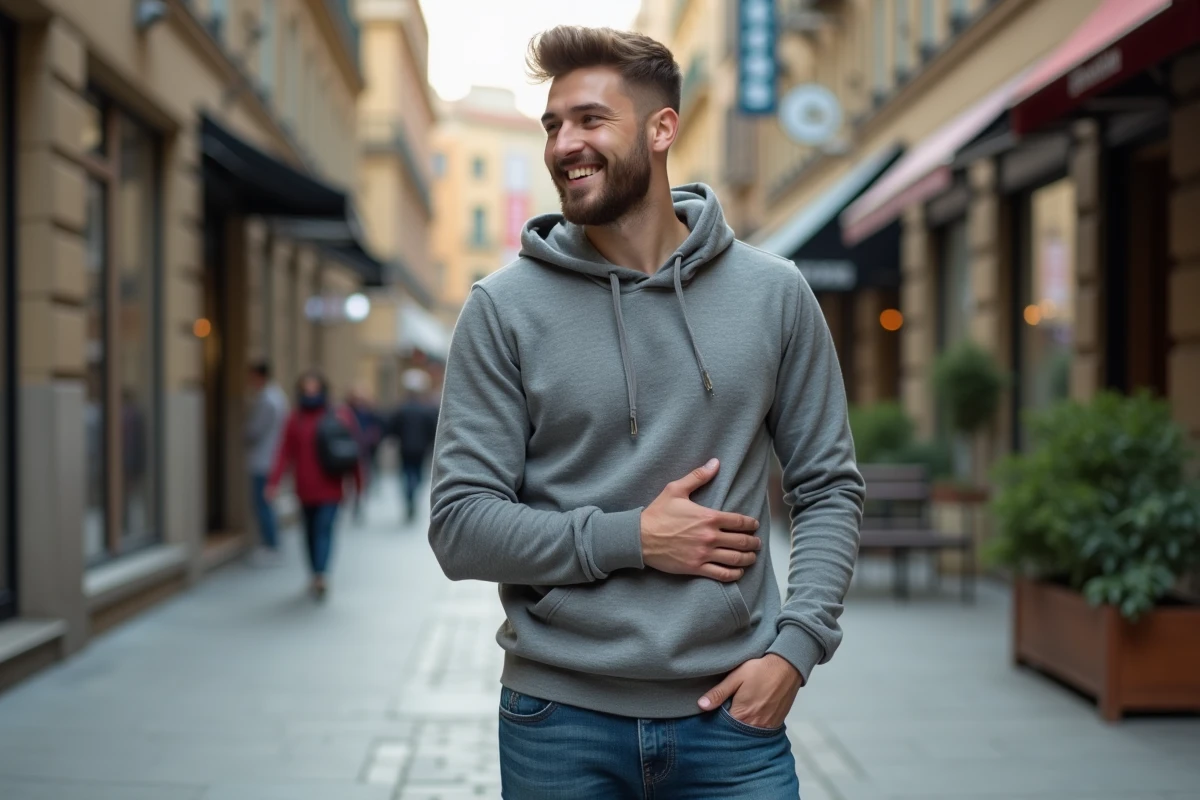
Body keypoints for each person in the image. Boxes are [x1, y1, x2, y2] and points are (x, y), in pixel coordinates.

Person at [428, 26, 865, 798]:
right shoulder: (502, 309)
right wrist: (633, 538)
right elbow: (460, 526)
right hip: (559, 718)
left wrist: (794, 651)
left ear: (662, 130)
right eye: (553, 125)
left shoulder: (773, 294)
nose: (565, 144)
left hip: (734, 722)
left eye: (591, 120)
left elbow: (828, 487)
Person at [266, 369, 363, 600]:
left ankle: (321, 575)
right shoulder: (295, 418)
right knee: (309, 533)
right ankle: (314, 573)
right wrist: (274, 482)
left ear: (322, 389)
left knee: (324, 530)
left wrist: (359, 483)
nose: (310, 393)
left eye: (314, 388)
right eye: (305, 389)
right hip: (304, 489)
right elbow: (284, 452)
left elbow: (352, 451)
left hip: (330, 488)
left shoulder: (339, 415)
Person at [244, 361, 289, 565]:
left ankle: (271, 544)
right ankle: (272, 542)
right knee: (267, 501)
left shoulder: (267, 400)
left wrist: (245, 433)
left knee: (263, 502)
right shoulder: (278, 396)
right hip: (271, 457)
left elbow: (255, 430)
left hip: (264, 459)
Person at [390, 367, 439, 524]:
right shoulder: (426, 409)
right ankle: (412, 491)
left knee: (406, 472)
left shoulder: (402, 408)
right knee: (416, 473)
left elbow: (394, 427)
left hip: (405, 447)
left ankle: (409, 494)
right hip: (420, 447)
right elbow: (432, 429)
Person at [346, 384, 384, 522]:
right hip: (349, 449)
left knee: (363, 476)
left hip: (365, 449)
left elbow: (377, 426)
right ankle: (353, 500)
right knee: (351, 477)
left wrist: (371, 437)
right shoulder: (348, 412)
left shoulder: (370, 412)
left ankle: (359, 501)